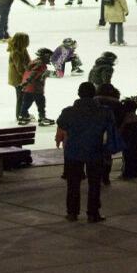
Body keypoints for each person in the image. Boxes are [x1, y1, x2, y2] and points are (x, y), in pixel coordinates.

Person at [55, 83, 116, 223]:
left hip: (73, 151)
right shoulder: (104, 111)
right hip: (95, 150)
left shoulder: (68, 111)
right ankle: (93, 214)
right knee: (94, 184)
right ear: (94, 94)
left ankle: (72, 213)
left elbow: (62, 124)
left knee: (73, 184)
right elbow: (111, 126)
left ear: (78, 93)